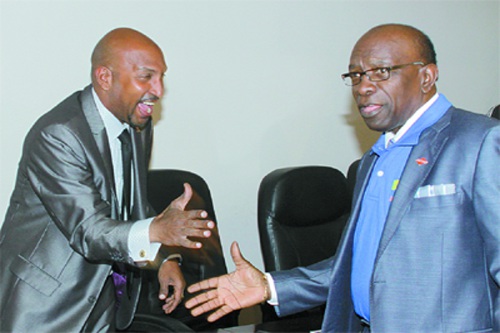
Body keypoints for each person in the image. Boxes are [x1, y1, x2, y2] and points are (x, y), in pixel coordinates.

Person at [185, 23, 500, 332]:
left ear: (426, 76)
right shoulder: (372, 160)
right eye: (356, 75)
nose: (363, 87)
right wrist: (270, 286)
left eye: (381, 71)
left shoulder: (480, 141)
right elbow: (358, 264)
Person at [0, 28, 215, 332]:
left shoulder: (138, 123)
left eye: (162, 77)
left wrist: (164, 257)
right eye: (146, 77)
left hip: (104, 301)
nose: (159, 90)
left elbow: (130, 201)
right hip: (44, 306)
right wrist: (157, 230)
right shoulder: (59, 135)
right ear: (104, 77)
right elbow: (88, 230)